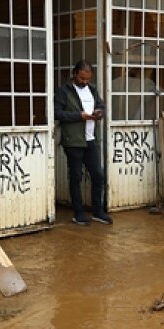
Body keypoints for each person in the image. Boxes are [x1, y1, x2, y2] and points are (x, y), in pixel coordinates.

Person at [54, 60, 112, 225]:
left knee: (98, 175)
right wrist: (79, 116)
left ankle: (98, 211)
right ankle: (78, 213)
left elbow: (101, 105)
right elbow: (57, 113)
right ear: (74, 74)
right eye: (81, 78)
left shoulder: (92, 90)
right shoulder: (64, 91)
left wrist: (99, 112)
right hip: (73, 140)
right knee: (76, 176)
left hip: (90, 139)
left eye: (87, 79)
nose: (84, 82)